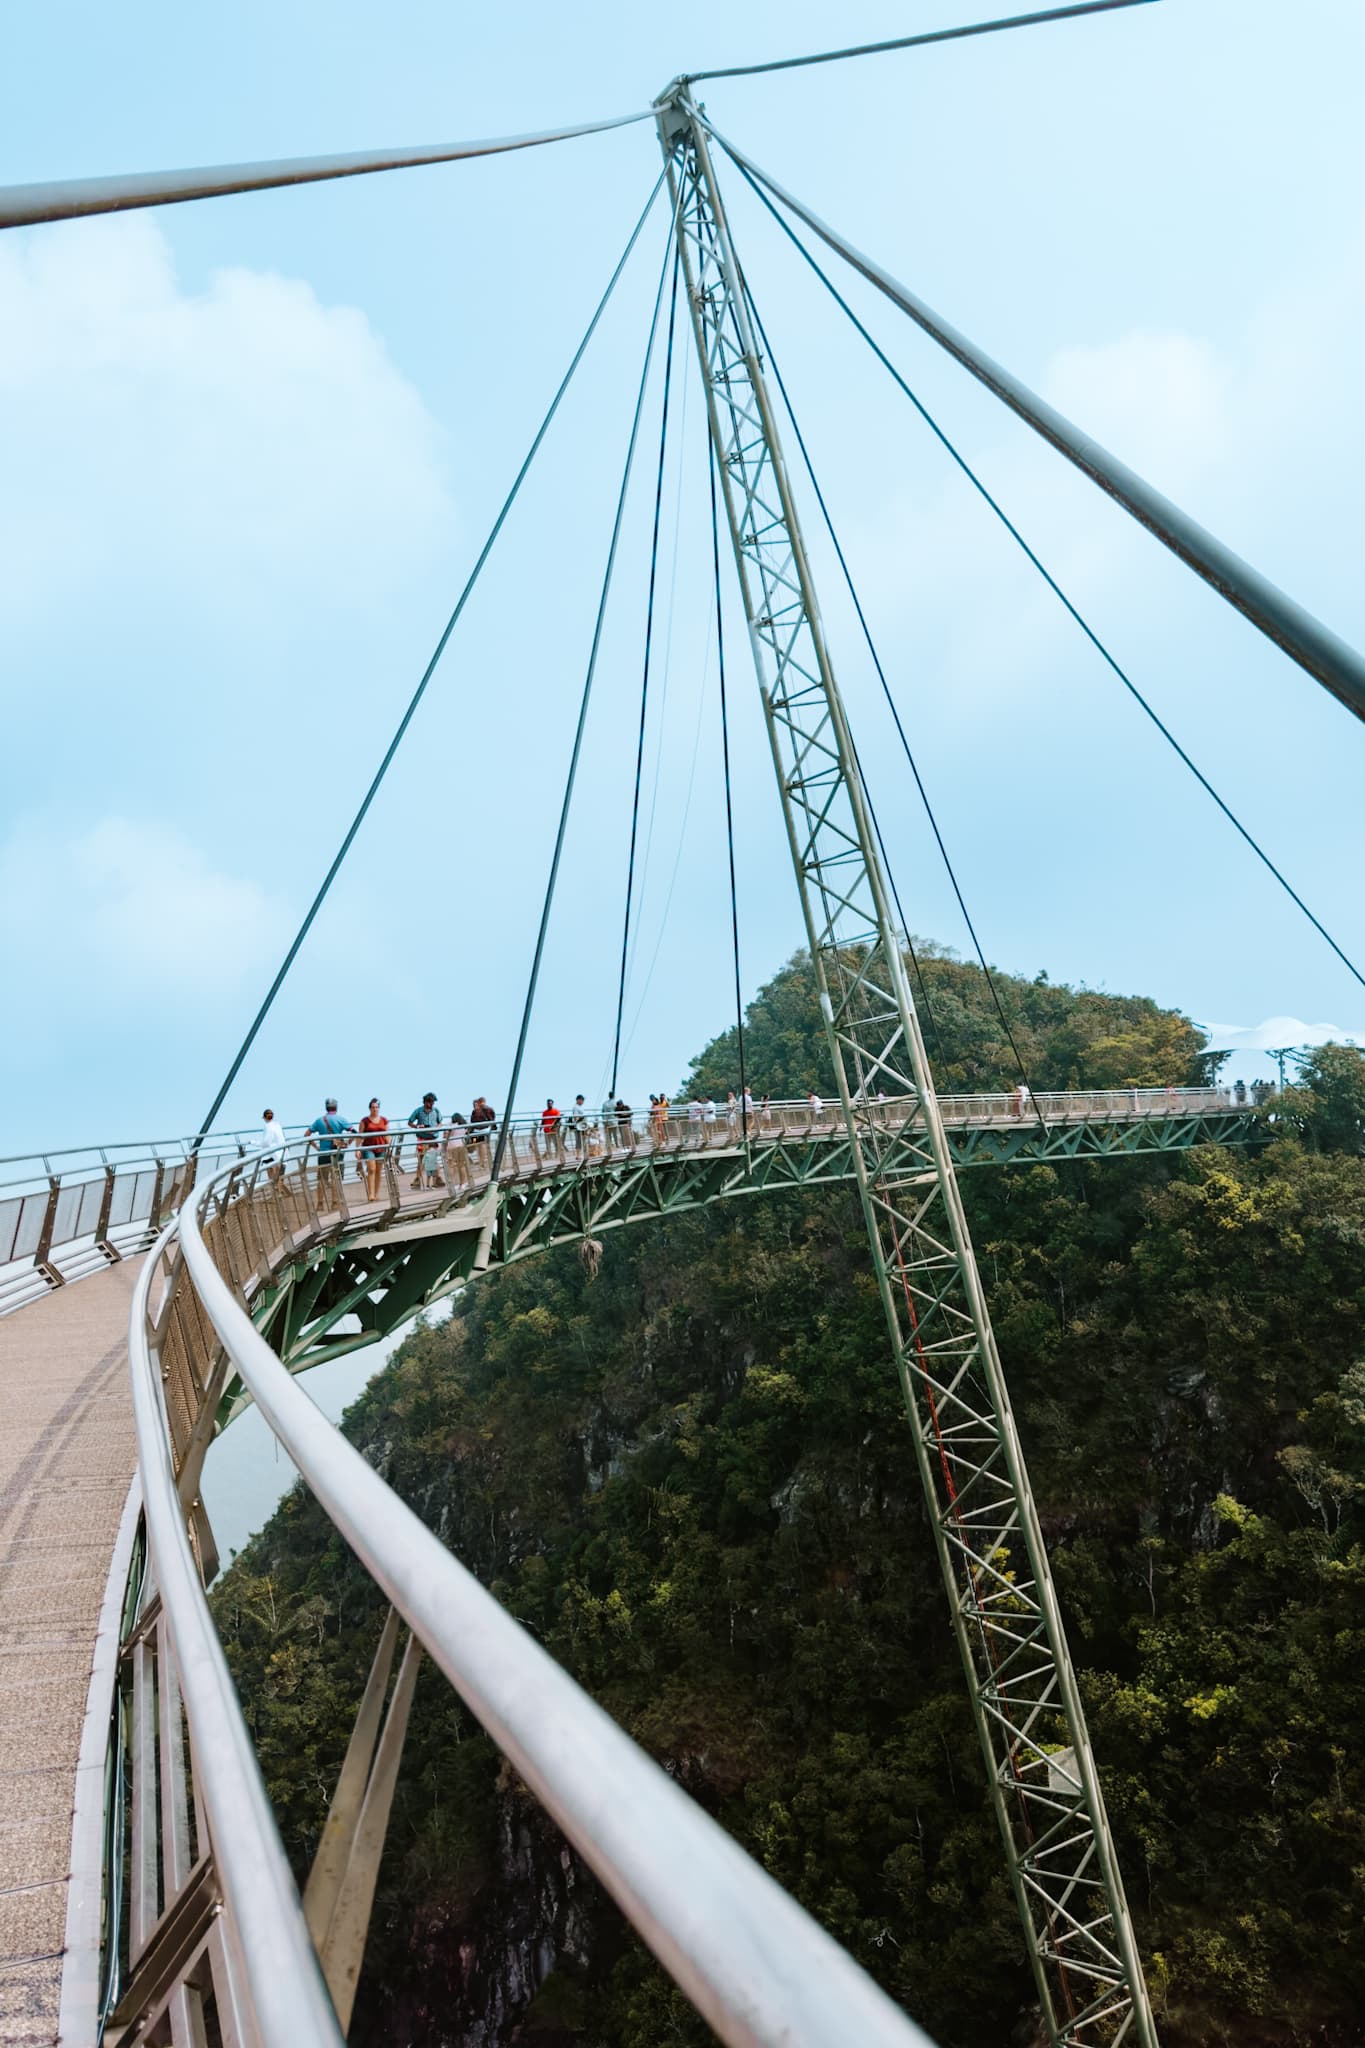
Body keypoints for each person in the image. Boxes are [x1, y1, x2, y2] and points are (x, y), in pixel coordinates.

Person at [308, 1099, 352, 1209]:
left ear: (326, 1107)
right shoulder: (341, 1119)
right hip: (337, 1152)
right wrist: (348, 1143)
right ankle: (335, 1203)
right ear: (336, 1107)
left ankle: (320, 1204)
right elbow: (354, 1132)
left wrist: (317, 1147)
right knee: (335, 1177)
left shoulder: (319, 1121)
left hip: (323, 1153)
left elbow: (307, 1134)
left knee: (322, 1179)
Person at [407, 1092, 441, 1189]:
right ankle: (417, 1180)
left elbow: (440, 1122)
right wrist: (417, 1126)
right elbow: (409, 1122)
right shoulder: (418, 1111)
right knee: (421, 1160)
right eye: (430, 1102)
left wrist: (436, 1128)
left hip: (433, 1138)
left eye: (433, 1102)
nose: (431, 1104)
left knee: (434, 1159)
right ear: (425, 1102)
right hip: (422, 1138)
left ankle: (437, 1179)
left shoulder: (436, 1111)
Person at [357, 1098, 389, 1202]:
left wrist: (389, 1146)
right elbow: (359, 1136)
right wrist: (357, 1149)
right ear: (370, 1108)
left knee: (379, 1171)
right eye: (373, 1107)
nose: (375, 1109)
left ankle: (376, 1193)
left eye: (376, 1107)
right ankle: (370, 1194)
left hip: (381, 1147)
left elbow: (387, 1134)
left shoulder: (384, 1120)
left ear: (379, 1108)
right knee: (371, 1169)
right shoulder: (364, 1121)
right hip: (369, 1148)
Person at [253, 1107, 287, 1185]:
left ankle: (275, 1193)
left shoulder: (268, 1126)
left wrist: (253, 1142)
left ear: (265, 1118)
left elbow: (265, 1143)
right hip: (282, 1154)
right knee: (280, 1180)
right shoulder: (277, 1125)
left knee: (273, 1180)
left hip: (273, 1155)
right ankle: (279, 1192)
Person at [469, 1097, 497, 1173]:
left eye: (476, 1104)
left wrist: (492, 1126)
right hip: (477, 1131)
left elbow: (491, 1118)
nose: (475, 1106)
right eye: (474, 1105)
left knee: (483, 1146)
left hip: (484, 1130)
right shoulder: (474, 1112)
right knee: (478, 1146)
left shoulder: (484, 1110)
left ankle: (483, 1162)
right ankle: (481, 1162)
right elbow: (472, 1122)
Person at [445, 1111, 471, 1191]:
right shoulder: (464, 1125)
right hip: (460, 1145)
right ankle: (462, 1183)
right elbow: (467, 1132)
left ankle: (452, 1184)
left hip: (451, 1146)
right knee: (461, 1165)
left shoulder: (451, 1125)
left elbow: (447, 1136)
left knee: (451, 1166)